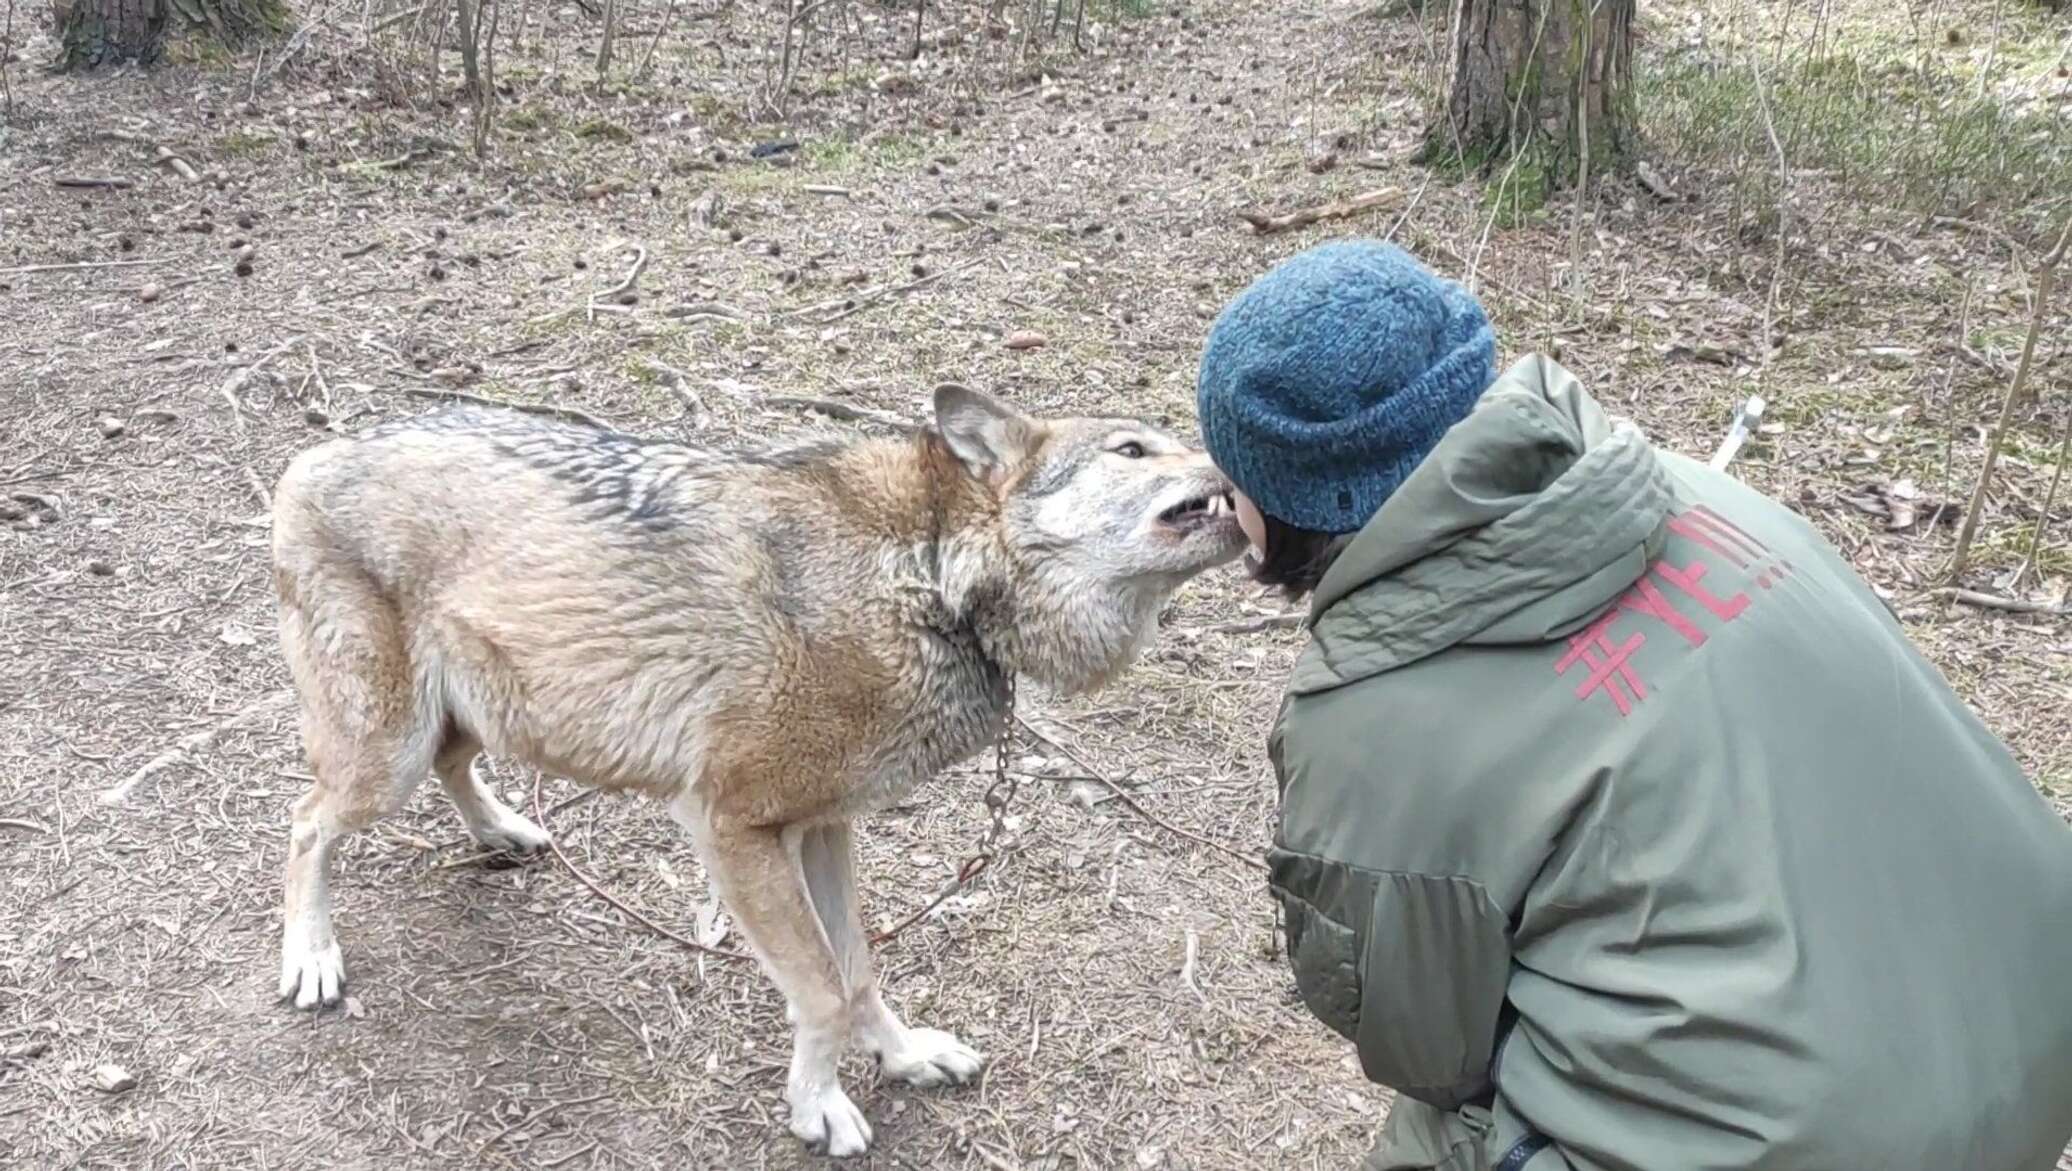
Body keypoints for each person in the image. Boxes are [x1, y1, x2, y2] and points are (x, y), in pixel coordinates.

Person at [1192, 239, 2072, 1171]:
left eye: (1235, 478)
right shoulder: (1703, 493)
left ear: (1287, 499)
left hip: (1829, 1145)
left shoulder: (1368, 716)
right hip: (2029, 1043)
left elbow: (1417, 1038)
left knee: (1432, 1139)